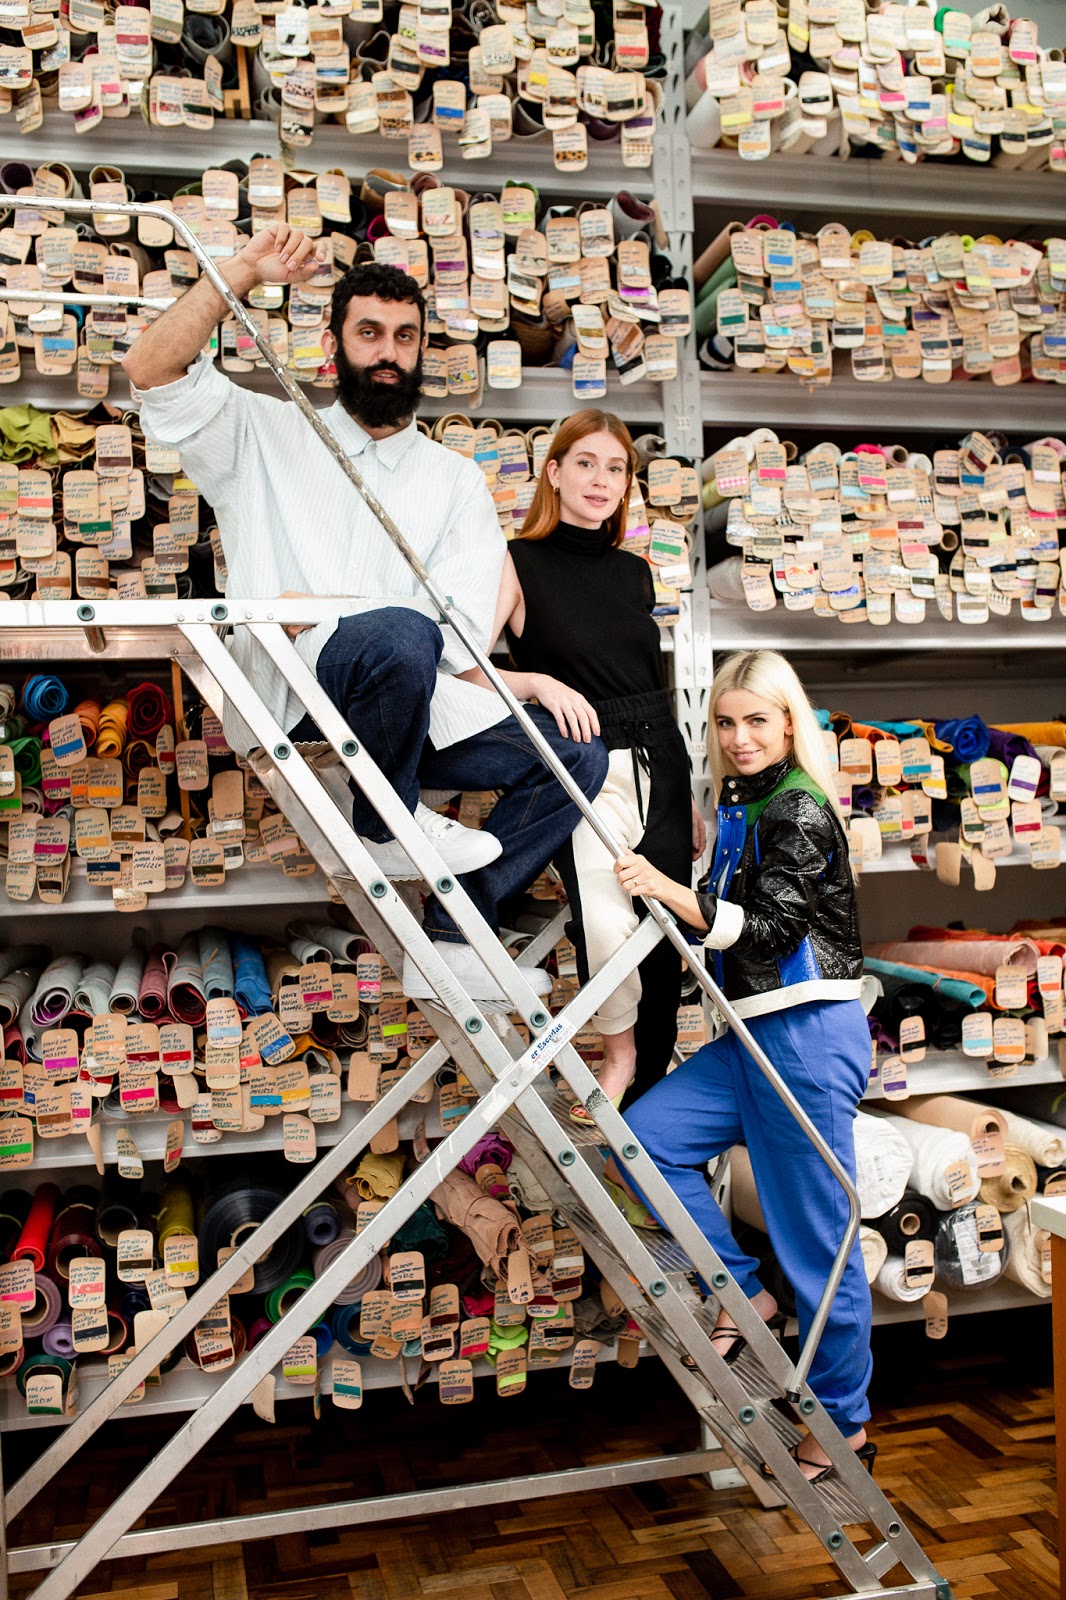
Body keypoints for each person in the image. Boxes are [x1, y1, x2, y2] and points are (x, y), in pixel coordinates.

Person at [124, 224, 608, 1007]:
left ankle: (454, 938)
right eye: (369, 333)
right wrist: (241, 271)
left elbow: (458, 635)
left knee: (577, 757)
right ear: (333, 345)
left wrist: (324, 611)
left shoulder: (455, 481)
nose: (388, 352)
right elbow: (150, 368)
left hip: (416, 706)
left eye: (404, 337)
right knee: (399, 631)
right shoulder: (261, 431)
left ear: (421, 353)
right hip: (297, 703)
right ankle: (388, 826)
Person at [611, 648, 875, 1484]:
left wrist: (669, 889)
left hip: (807, 1037)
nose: (739, 738)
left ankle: (843, 1423)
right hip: (753, 1036)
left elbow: (768, 933)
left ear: (790, 723)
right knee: (645, 1141)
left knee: (818, 1244)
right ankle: (742, 1292)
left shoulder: (798, 808)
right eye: (725, 723)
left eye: (757, 720)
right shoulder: (738, 799)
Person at [457, 411, 705, 1121]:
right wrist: (536, 683)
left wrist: (686, 792)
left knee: (664, 940)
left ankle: (650, 1132)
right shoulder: (517, 562)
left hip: (661, 762)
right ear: (554, 472)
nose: (601, 480)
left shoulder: (635, 573)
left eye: (615, 468)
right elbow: (464, 673)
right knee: (604, 920)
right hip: (586, 766)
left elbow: (651, 682)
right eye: (586, 463)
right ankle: (617, 1052)